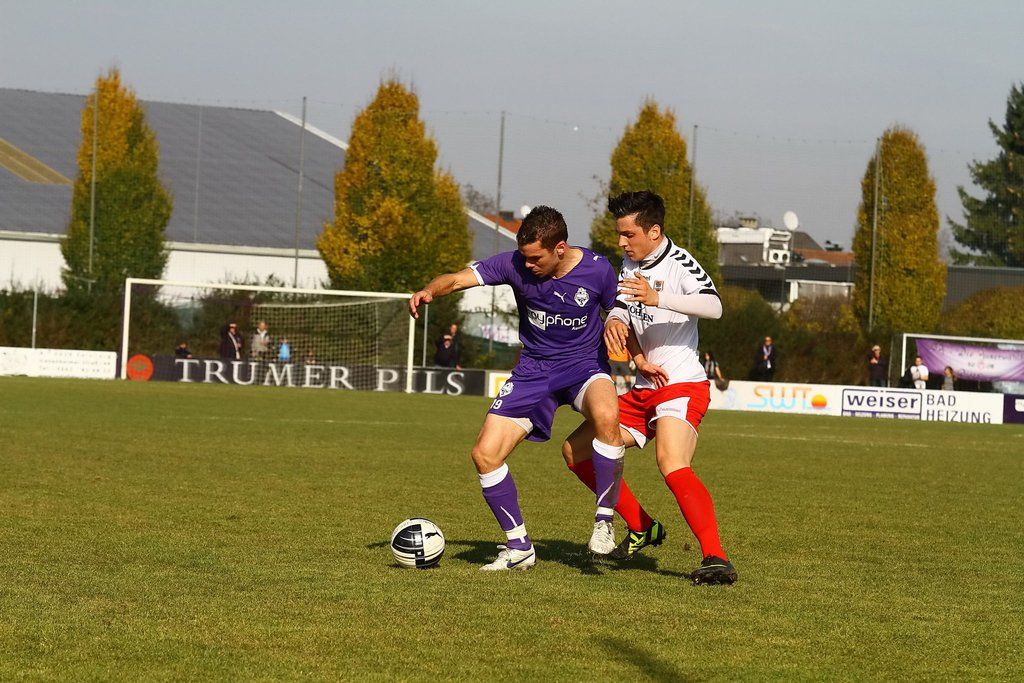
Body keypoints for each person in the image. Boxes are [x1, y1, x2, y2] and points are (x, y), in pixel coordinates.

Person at [409, 206, 625, 571]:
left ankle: (604, 522)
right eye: (524, 257)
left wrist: (628, 337)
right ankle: (519, 546)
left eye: (536, 258)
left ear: (560, 248)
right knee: (485, 454)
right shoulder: (513, 263)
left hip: (584, 366)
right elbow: (459, 279)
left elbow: (619, 310)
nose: (527, 265)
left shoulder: (598, 269)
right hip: (533, 372)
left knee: (606, 414)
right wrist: (430, 290)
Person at [563, 190, 738, 585]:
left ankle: (716, 557)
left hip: (681, 385)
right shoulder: (631, 263)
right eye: (620, 234)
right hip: (643, 387)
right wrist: (618, 325)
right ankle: (642, 525)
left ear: (654, 232)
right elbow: (624, 307)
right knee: (575, 451)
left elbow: (714, 306)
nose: (621, 242)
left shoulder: (680, 263)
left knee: (671, 461)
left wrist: (659, 297)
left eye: (629, 234)